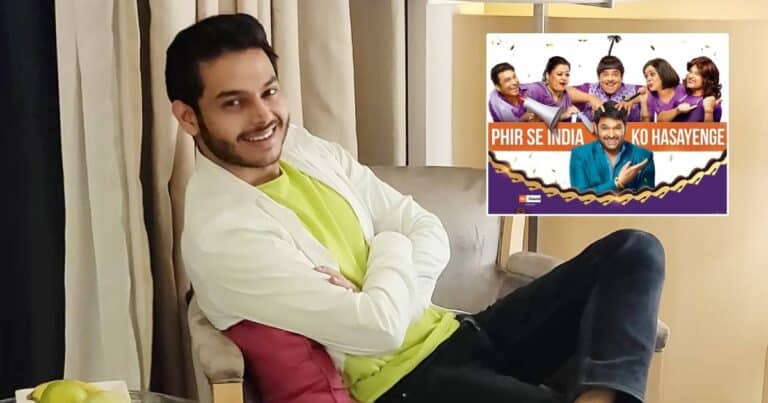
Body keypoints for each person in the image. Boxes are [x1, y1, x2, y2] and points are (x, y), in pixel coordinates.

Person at [168, 14, 664, 403]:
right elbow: (380, 329)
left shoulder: (299, 147)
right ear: (188, 117)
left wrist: (385, 265)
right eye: (234, 103)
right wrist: (393, 245)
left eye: (270, 91)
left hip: (459, 330)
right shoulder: (222, 234)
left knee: (634, 250)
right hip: (405, 384)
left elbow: (422, 226)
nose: (264, 116)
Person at [570, 101, 655, 194]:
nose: (611, 135)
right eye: (605, 128)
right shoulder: (580, 155)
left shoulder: (644, 156)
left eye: (617, 128)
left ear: (625, 128)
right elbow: (581, 198)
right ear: (595, 128)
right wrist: (618, 183)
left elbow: (646, 200)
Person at [566, 55, 646, 122]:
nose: (610, 79)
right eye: (605, 75)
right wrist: (590, 98)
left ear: (621, 77)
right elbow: (564, 92)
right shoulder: (589, 89)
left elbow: (648, 91)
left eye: (615, 74)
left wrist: (633, 99)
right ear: (599, 77)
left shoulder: (633, 90)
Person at [521, 56, 580, 121]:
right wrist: (562, 116)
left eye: (567, 75)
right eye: (559, 74)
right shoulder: (535, 90)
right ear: (547, 75)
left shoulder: (566, 98)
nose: (564, 78)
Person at [667, 56, 723, 122]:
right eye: (690, 72)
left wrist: (708, 111)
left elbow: (712, 129)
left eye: (697, 74)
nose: (690, 76)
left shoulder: (712, 103)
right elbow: (660, 119)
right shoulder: (679, 91)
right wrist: (676, 111)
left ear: (708, 79)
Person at [640, 58, 687, 122]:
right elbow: (645, 126)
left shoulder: (682, 89)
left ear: (664, 73)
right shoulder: (652, 97)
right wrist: (643, 103)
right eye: (646, 76)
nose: (648, 79)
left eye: (652, 74)